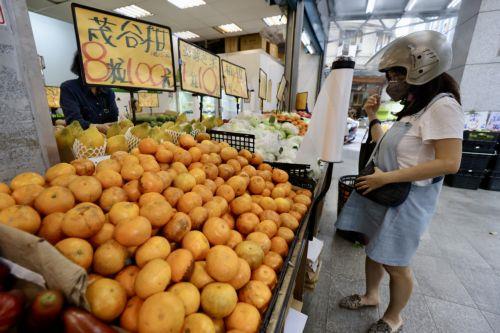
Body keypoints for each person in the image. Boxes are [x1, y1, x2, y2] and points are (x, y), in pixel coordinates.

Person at [336, 31, 464, 333]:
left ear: (422, 67)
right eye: (390, 74)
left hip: (407, 199)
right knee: (374, 248)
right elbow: (390, 147)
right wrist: (372, 117)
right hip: (386, 190)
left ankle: (394, 318)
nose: (391, 79)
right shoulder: (418, 106)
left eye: (396, 73)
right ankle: (370, 296)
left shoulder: (444, 107)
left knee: (395, 262)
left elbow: (450, 162)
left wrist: (387, 177)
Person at [60, 53, 119, 132]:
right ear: (80, 65)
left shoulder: (108, 91)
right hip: (81, 142)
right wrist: (98, 127)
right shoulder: (69, 88)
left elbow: (114, 118)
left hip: (109, 140)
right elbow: (74, 122)